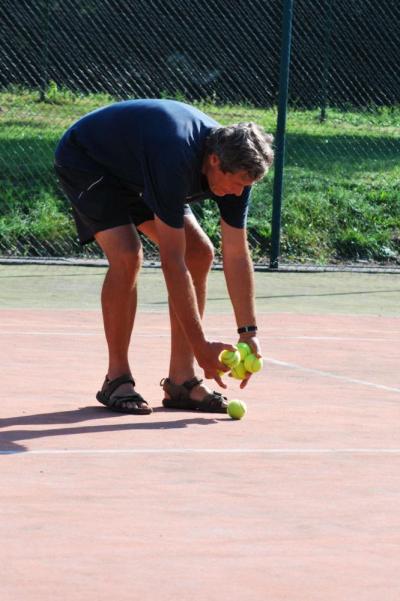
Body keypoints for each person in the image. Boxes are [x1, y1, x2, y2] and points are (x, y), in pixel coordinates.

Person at [54, 98, 274, 415]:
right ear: (214, 160)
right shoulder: (176, 158)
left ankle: (182, 382)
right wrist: (202, 347)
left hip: (140, 167)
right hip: (88, 159)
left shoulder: (240, 169)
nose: (240, 192)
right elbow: (173, 261)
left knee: (200, 253)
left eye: (247, 185)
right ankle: (117, 378)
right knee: (128, 253)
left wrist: (248, 333)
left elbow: (237, 254)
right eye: (238, 183)